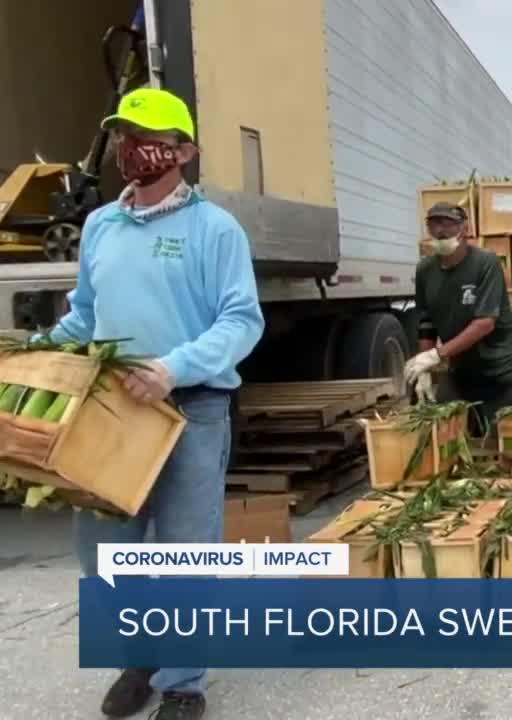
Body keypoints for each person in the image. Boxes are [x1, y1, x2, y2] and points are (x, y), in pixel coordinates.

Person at [35, 88, 264, 719]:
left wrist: (174, 367)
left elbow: (242, 321)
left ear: (184, 151)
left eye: (144, 135)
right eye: (120, 135)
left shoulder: (215, 229)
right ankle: (137, 660)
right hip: (111, 410)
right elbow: (84, 315)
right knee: (104, 550)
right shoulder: (102, 225)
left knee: (186, 550)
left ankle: (184, 683)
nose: (128, 147)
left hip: (191, 410)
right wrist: (34, 352)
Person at [404, 201, 512, 440]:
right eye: (434, 224)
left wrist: (437, 355)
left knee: (505, 446)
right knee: (446, 439)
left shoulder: (485, 263)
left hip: (503, 372)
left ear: (463, 229)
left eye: (448, 224)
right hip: (462, 371)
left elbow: (485, 322)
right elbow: (426, 321)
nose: (440, 231)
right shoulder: (425, 270)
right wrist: (425, 367)